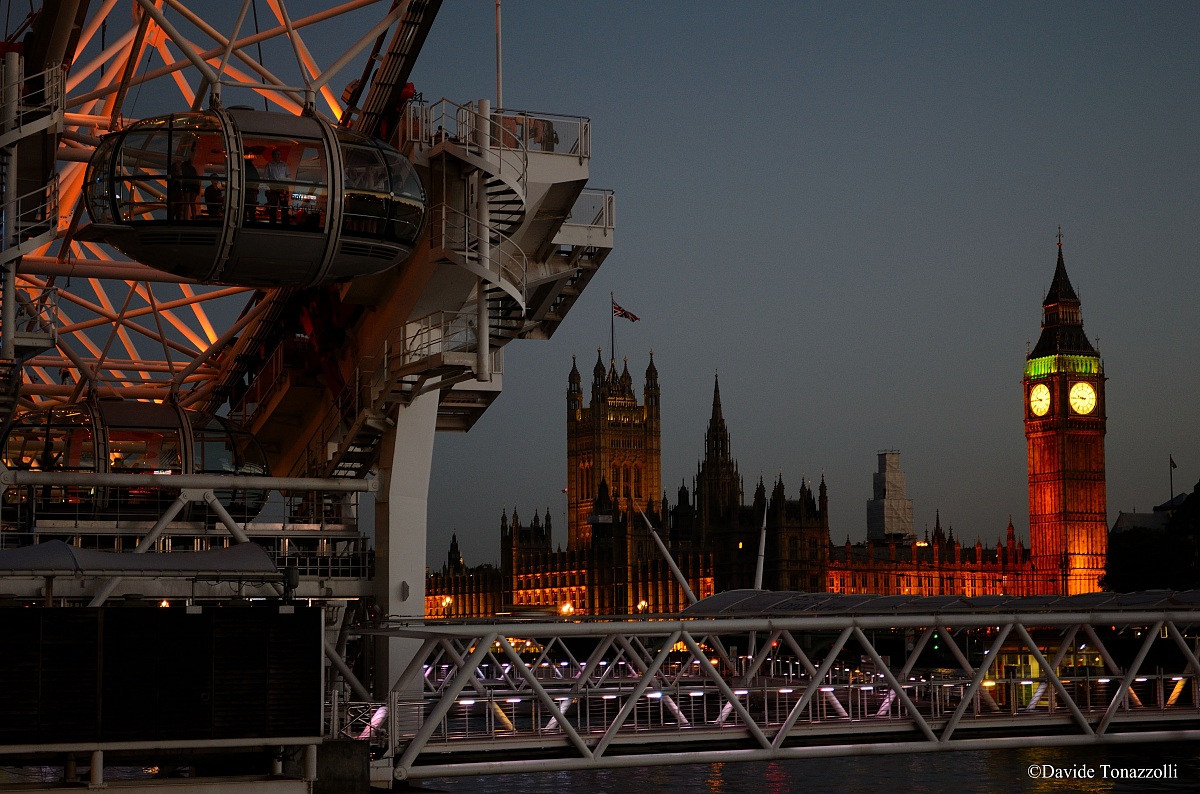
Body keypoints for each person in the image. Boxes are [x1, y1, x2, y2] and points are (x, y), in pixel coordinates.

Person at [264, 148, 291, 225]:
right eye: (277, 154)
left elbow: (289, 175)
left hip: (284, 188)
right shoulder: (269, 165)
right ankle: (273, 223)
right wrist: (271, 186)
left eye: (279, 154)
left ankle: (285, 223)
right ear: (273, 155)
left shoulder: (284, 165)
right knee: (273, 207)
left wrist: (285, 182)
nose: (278, 156)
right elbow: (266, 177)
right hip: (274, 188)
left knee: (284, 207)